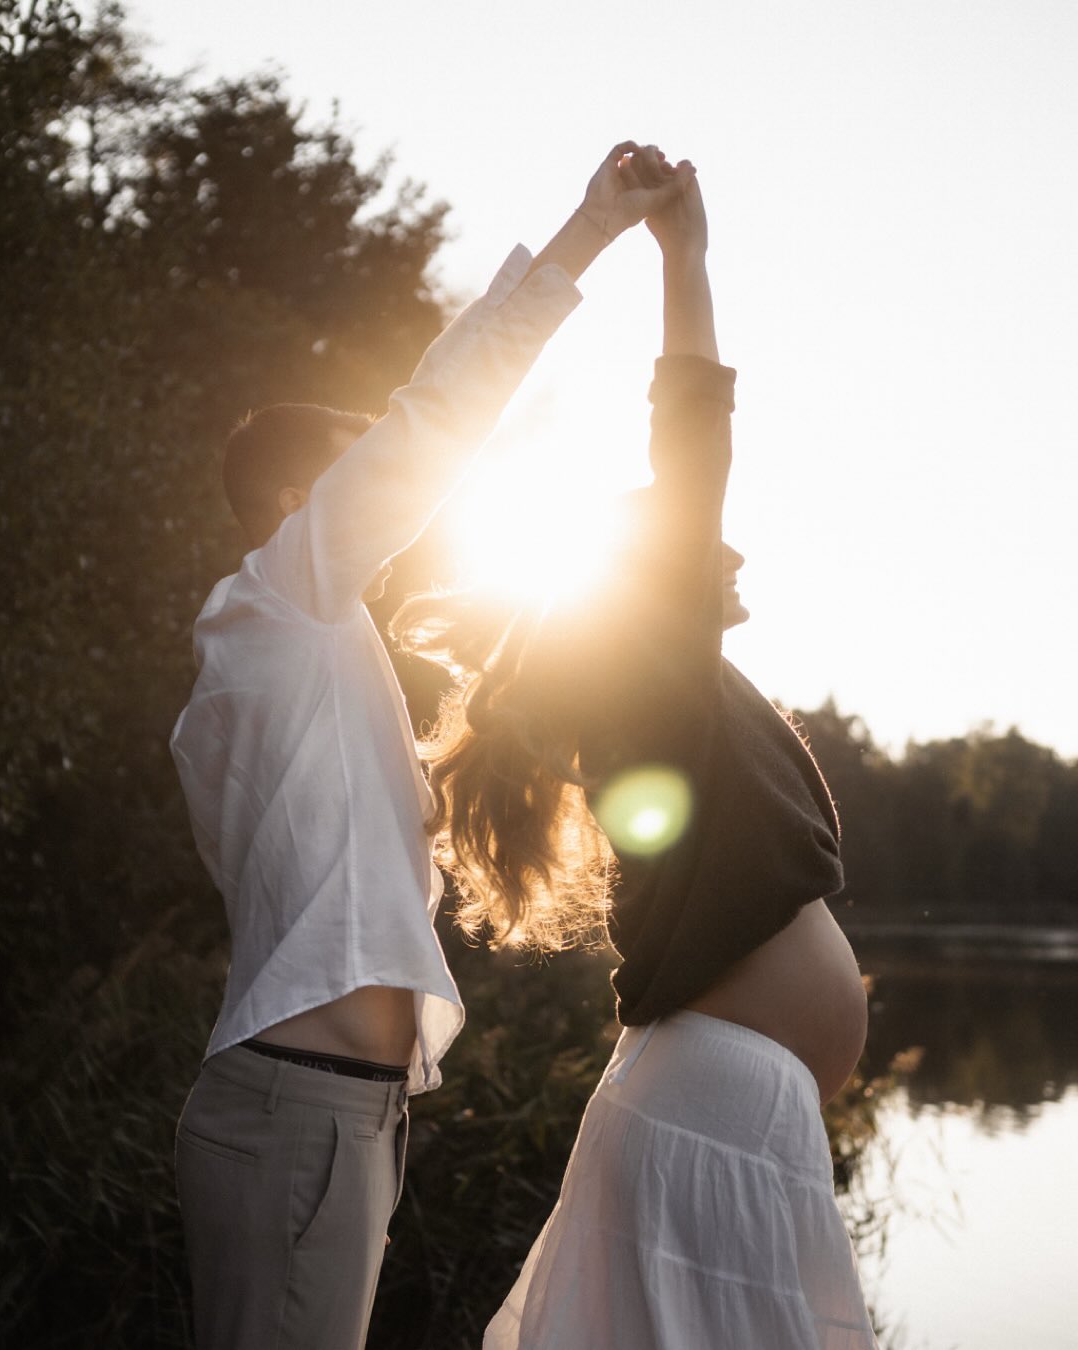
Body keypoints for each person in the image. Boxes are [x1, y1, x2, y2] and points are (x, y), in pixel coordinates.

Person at [168, 143, 697, 1350]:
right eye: (354, 470)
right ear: (299, 501)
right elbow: (438, 415)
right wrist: (587, 233)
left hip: (342, 1114)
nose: (398, 503)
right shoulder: (276, 602)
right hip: (302, 1114)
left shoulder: (307, 650)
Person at [397, 147, 879, 1348]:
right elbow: (693, 435)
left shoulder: (673, 701)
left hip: (717, 1110)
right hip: (712, 1111)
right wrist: (686, 256)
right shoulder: (655, 681)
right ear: (656, 580)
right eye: (706, 552)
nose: (736, 560)